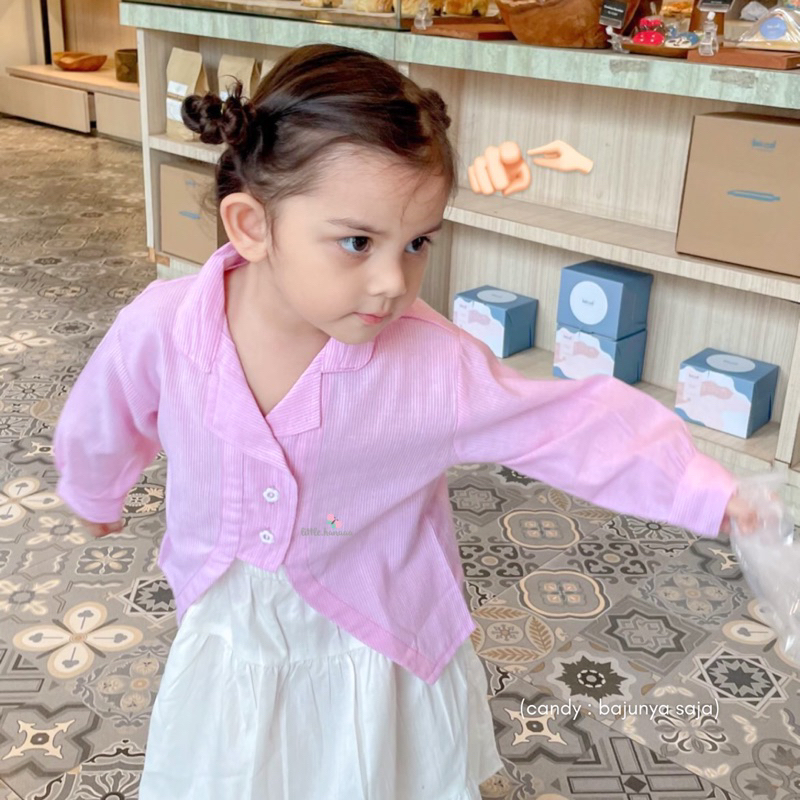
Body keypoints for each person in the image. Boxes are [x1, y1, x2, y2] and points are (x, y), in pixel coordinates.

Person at [52, 43, 758, 800]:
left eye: (418, 242)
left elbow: (564, 425)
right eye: (357, 242)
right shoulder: (165, 325)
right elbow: (108, 411)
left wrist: (699, 488)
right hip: (230, 626)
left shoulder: (432, 363)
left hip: (376, 639)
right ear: (252, 225)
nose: (394, 282)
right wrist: (94, 490)